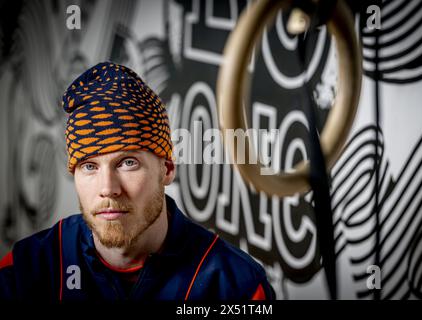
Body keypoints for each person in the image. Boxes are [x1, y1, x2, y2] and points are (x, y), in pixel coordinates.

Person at [0, 62, 275, 301]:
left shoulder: (237, 287)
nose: (108, 188)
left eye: (127, 163)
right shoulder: (26, 271)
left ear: (166, 169)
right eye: (89, 166)